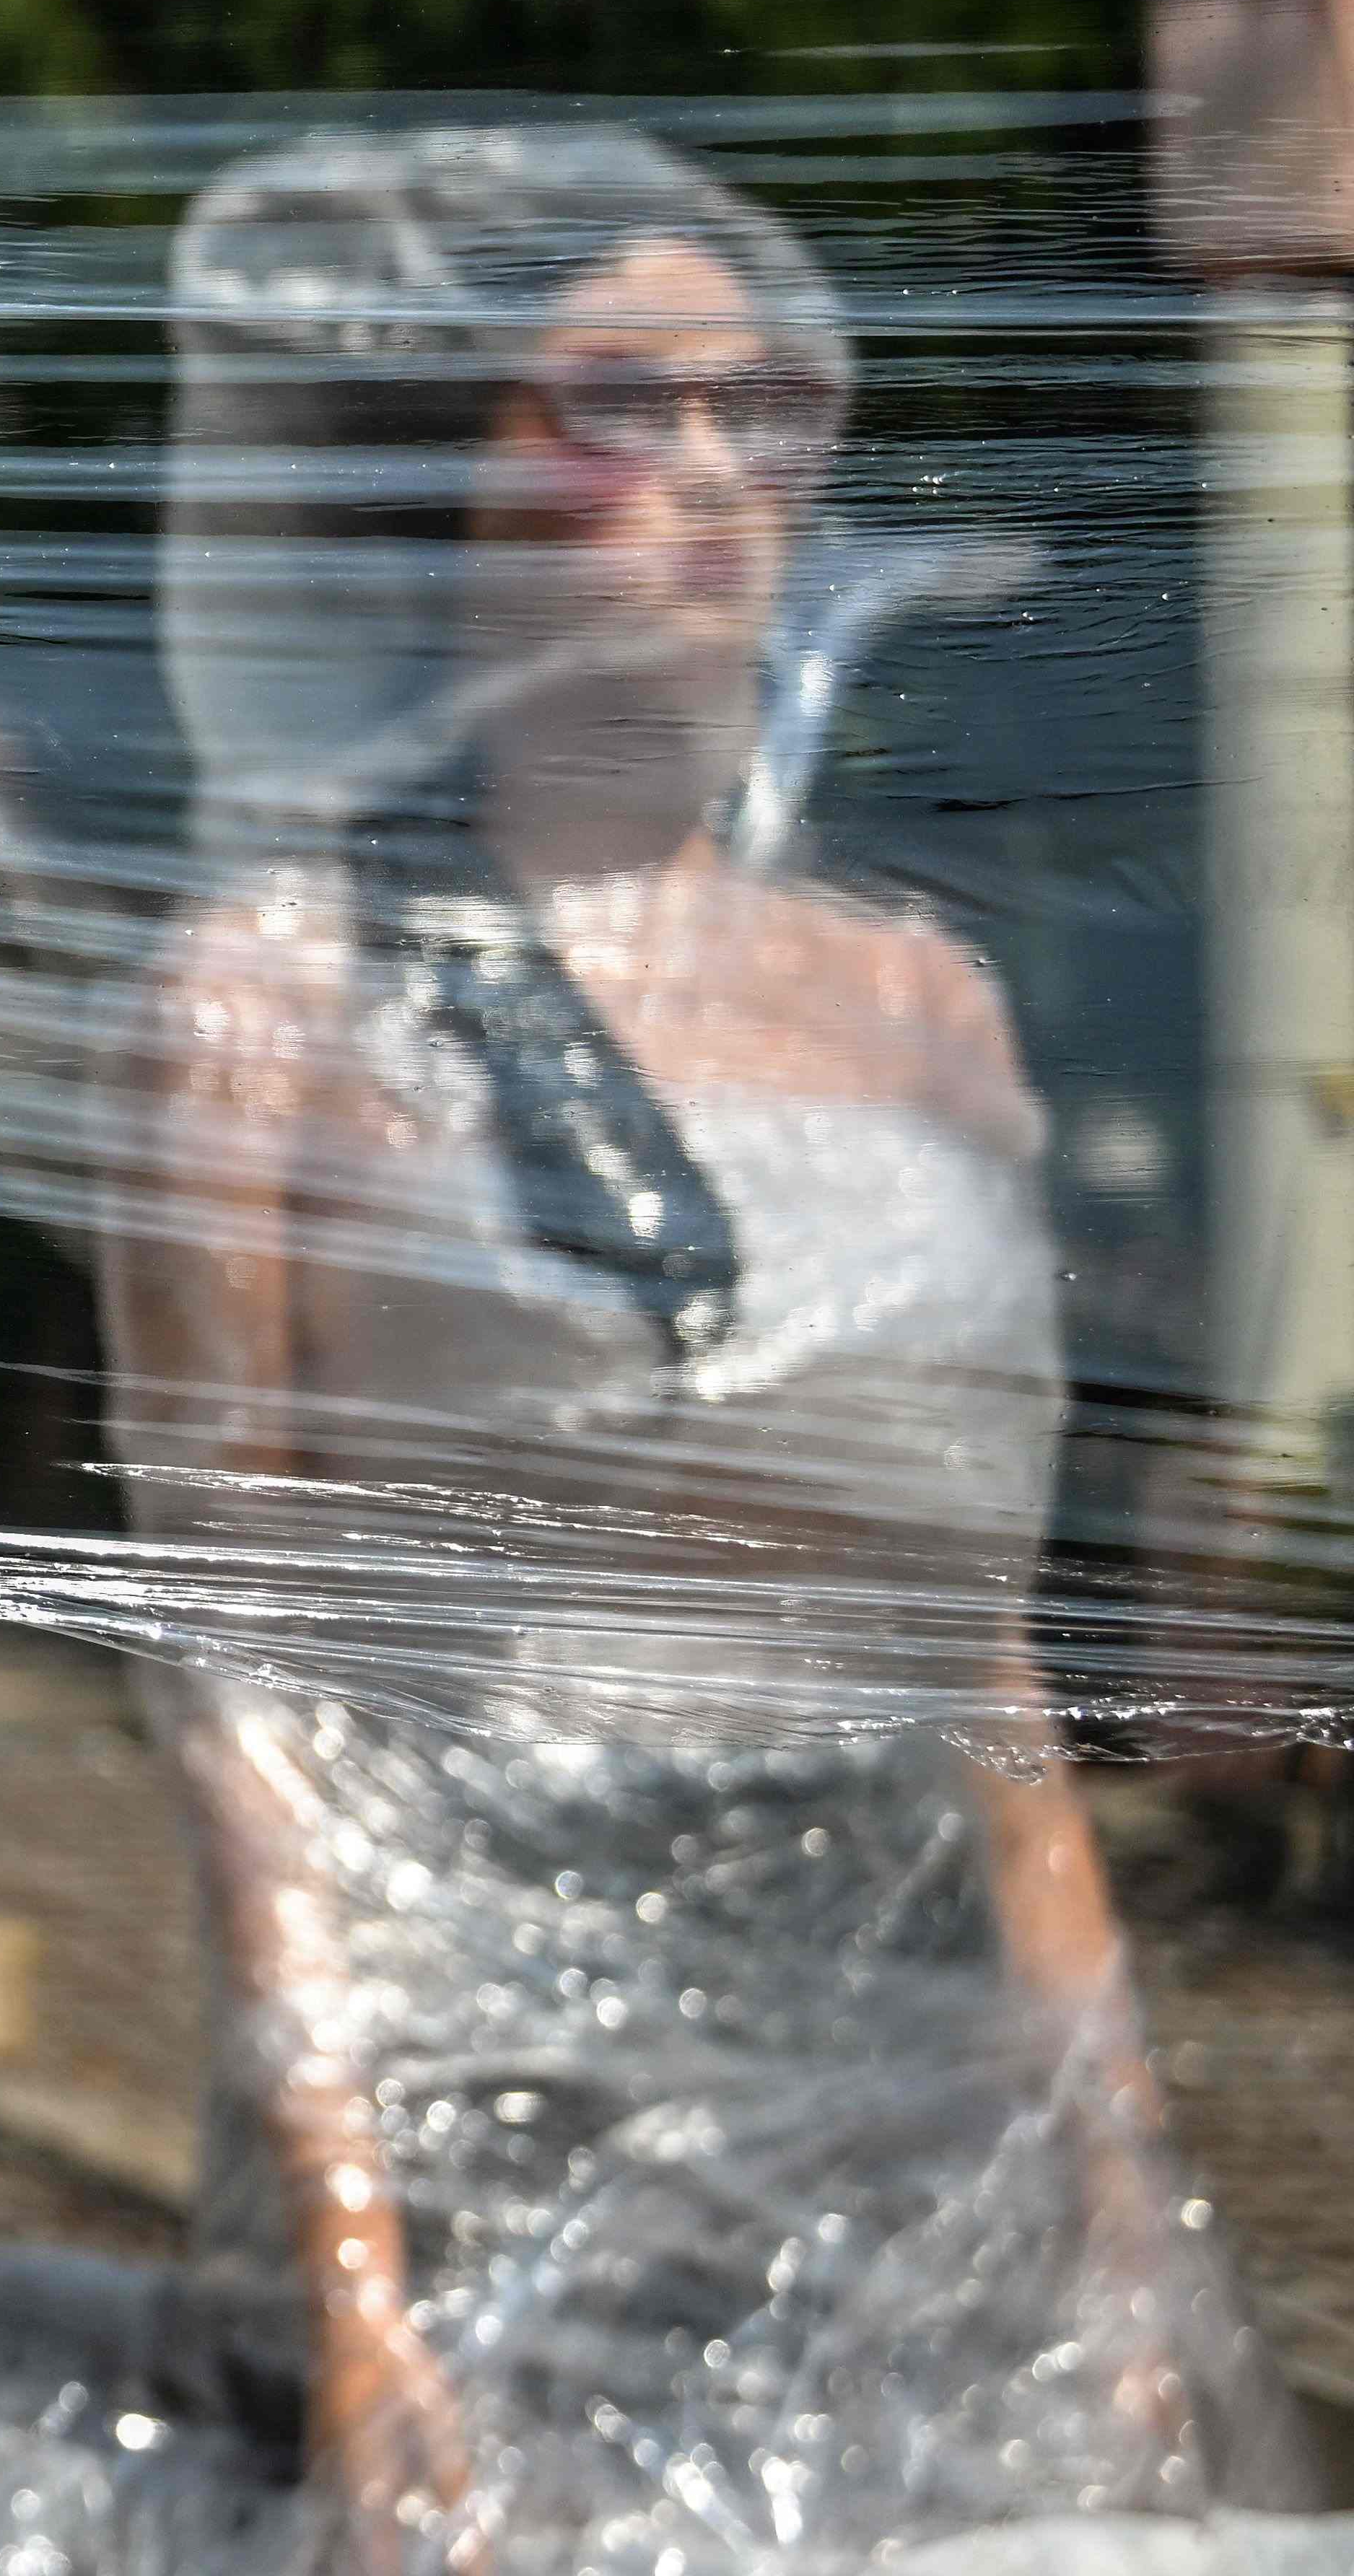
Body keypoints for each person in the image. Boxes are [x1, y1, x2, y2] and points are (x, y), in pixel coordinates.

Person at [119, 123, 1308, 2568]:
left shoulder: (914, 1009)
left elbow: (982, 1659)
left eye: (756, 413)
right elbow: (240, 1678)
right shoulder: (262, 1011)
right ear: (434, 497)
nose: (705, 474)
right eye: (614, 408)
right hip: (479, 2109)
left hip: (915, 2099)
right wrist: (359, 2292)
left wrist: (1119, 2191)